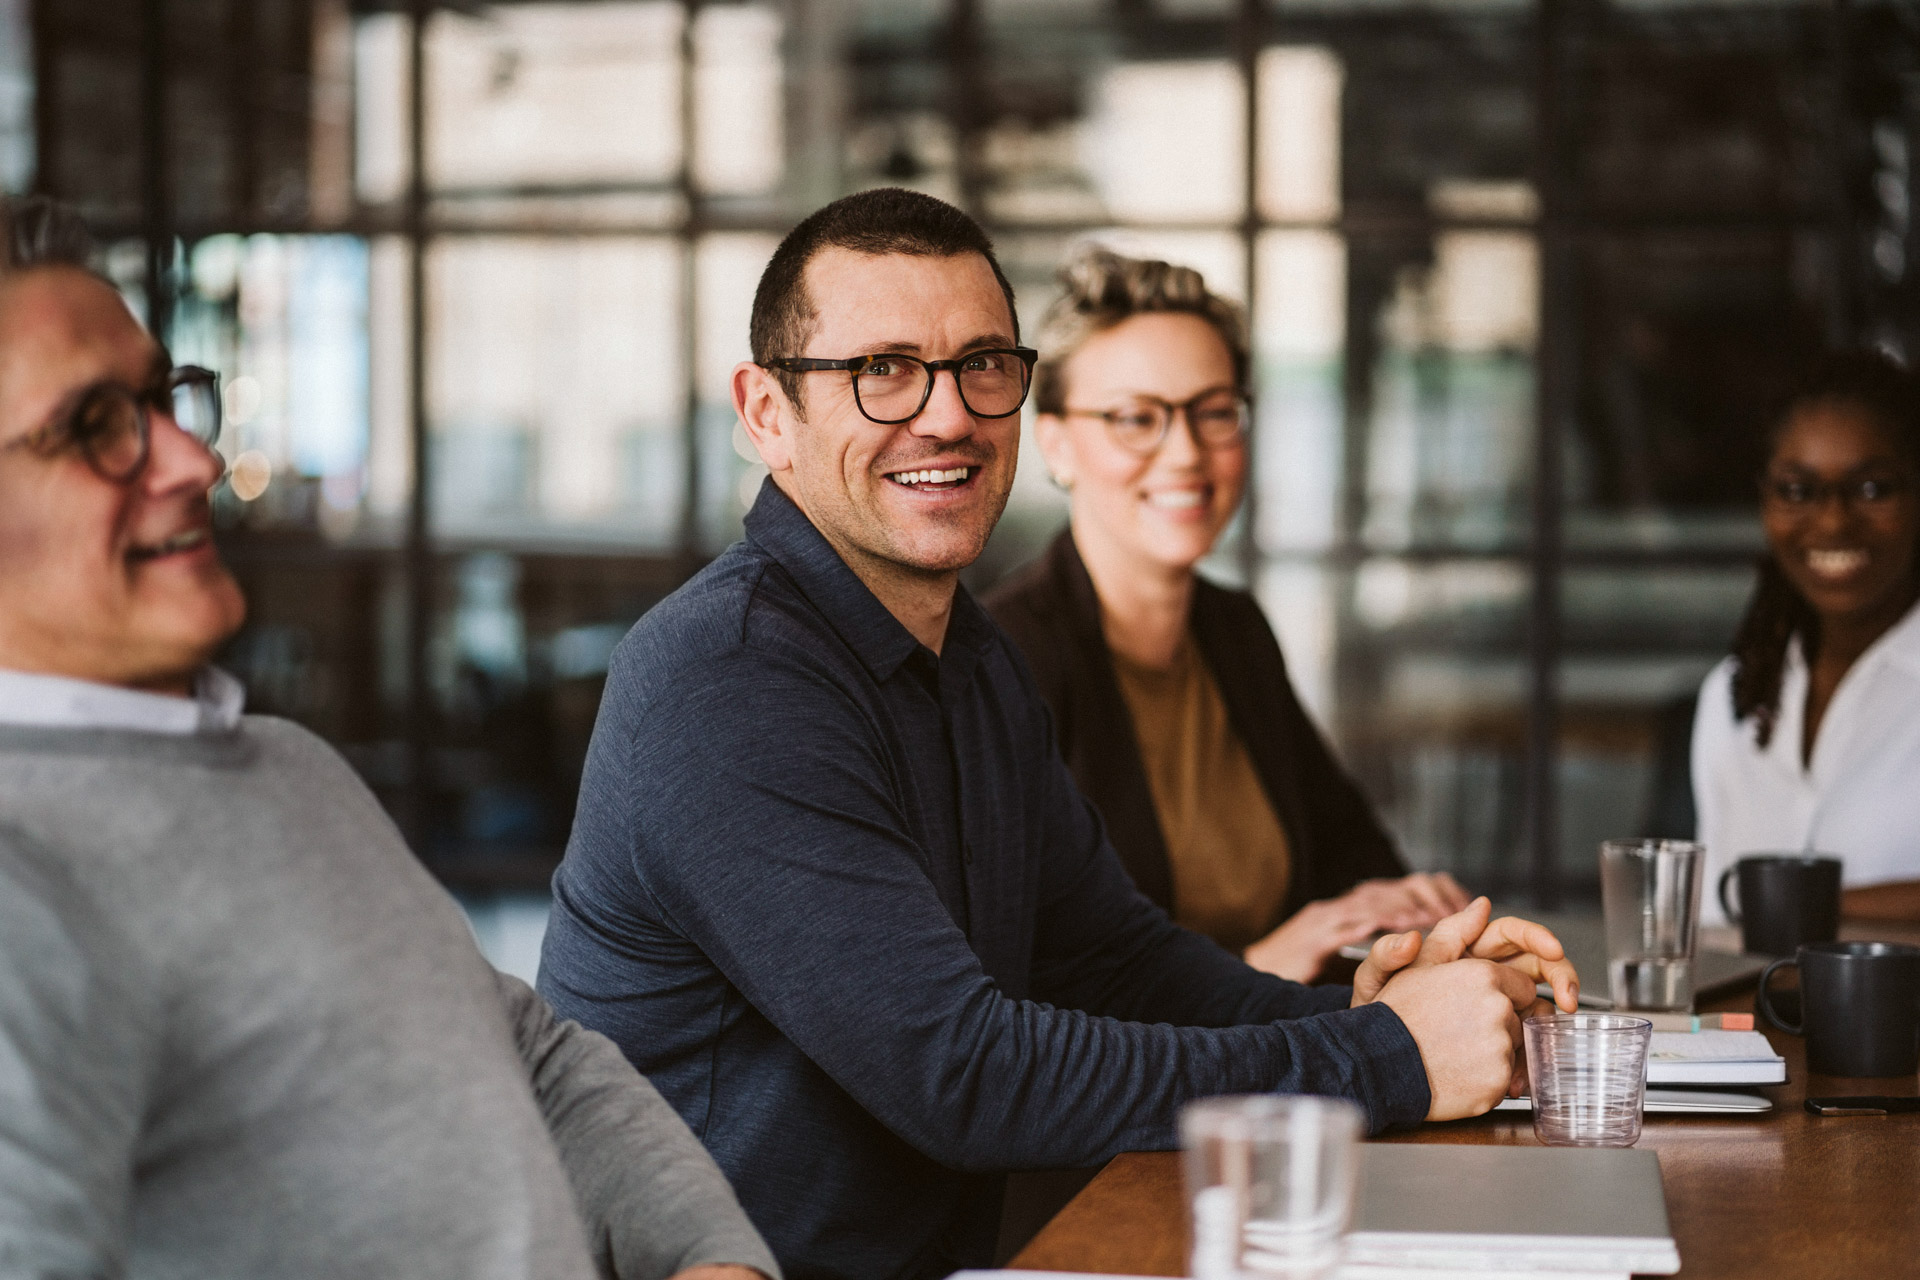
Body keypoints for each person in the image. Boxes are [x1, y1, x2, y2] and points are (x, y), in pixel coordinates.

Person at [538, 187, 1577, 1280]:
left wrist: (1373, 1006)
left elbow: (1117, 959)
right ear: (766, 413)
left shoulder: (969, 655)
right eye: (882, 369)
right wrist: (1387, 1056)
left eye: (982, 362)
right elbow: (965, 1074)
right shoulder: (726, 675)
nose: (946, 415)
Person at [0, 196, 779, 1280]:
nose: (191, 459)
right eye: (93, 425)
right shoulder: (21, 877)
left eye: (164, 399)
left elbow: (528, 1051)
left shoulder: (286, 765)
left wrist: (710, 1255)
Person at [986, 248, 1468, 982]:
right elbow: (1024, 985)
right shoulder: (1005, 661)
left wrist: (1403, 912)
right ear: (1055, 441)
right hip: (1146, 1089)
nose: (1185, 453)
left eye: (1214, 412)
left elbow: (1349, 853)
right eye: (1134, 418)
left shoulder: (1232, 629)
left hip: (1286, 1073)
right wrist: (1253, 969)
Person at [1693, 350, 1920, 924]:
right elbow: (1713, 929)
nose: (1833, 522)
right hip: (1744, 1017)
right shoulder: (1732, 696)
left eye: (1872, 489)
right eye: (1797, 490)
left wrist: (1802, 905)